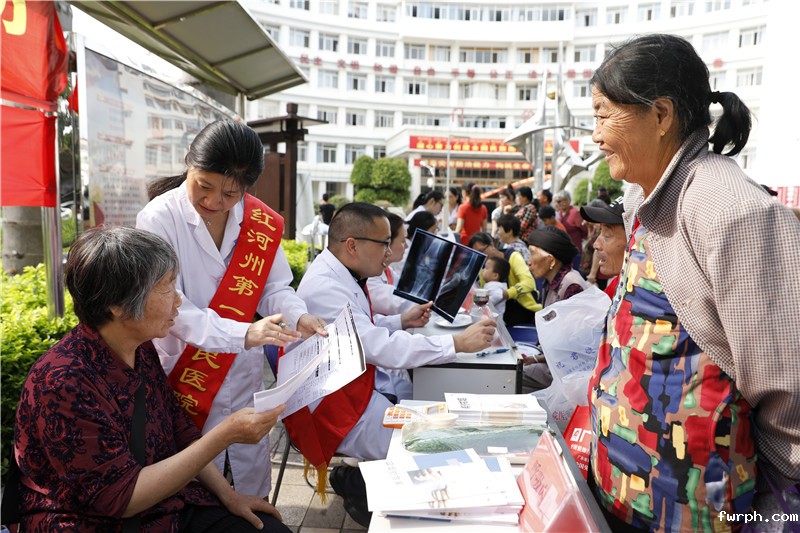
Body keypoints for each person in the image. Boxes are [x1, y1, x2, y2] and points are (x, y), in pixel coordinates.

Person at [587, 33, 800, 532]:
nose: (595, 135)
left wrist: (774, 505)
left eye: (603, 115)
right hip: (626, 495)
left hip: (696, 513)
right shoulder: (643, 197)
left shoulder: (733, 211)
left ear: (661, 115)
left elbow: (788, 383)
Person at [13, 226, 289, 532]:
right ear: (117, 305)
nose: (178, 301)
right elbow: (122, 498)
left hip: (167, 505)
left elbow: (179, 429)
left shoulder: (140, 349)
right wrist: (224, 435)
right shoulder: (62, 382)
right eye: (166, 288)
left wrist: (229, 495)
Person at [136, 119, 327, 498]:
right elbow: (171, 304)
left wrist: (298, 315)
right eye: (203, 186)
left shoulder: (258, 221)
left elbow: (274, 286)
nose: (213, 202)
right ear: (189, 164)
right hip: (185, 372)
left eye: (230, 194)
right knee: (191, 487)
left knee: (249, 489)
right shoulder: (158, 218)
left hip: (240, 374)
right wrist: (244, 333)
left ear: (246, 188)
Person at [286, 203, 496, 524]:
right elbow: (379, 348)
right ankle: (365, 493)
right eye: (384, 243)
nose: (389, 253)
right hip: (332, 406)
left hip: (348, 387)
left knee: (423, 413)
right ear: (352, 245)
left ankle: (367, 489)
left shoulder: (341, 272)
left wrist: (401, 320)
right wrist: (456, 343)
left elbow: (362, 330)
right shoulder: (326, 287)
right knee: (422, 441)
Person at [469, 232, 542, 327]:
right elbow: (484, 291)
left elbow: (529, 283)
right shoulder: (483, 266)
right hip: (500, 311)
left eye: (481, 251)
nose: (481, 256)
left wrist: (506, 294)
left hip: (522, 308)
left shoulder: (513, 257)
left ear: (491, 245)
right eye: (477, 254)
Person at [526, 226, 588, 308]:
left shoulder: (572, 287)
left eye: (533, 253)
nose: (529, 262)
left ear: (551, 260)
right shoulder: (550, 282)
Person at [367, 211, 415, 315]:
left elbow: (405, 289)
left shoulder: (388, 270)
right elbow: (398, 304)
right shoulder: (369, 278)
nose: (406, 246)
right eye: (403, 241)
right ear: (387, 243)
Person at [580, 197, 626, 299]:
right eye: (600, 231)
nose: (596, 244)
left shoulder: (650, 297)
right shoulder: (619, 283)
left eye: (607, 235)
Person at [553, 190, 587, 272]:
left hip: (575, 249)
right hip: (563, 250)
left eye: (564, 200)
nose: (561, 203)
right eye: (559, 201)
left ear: (569, 200)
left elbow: (584, 230)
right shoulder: (559, 213)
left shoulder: (575, 213)